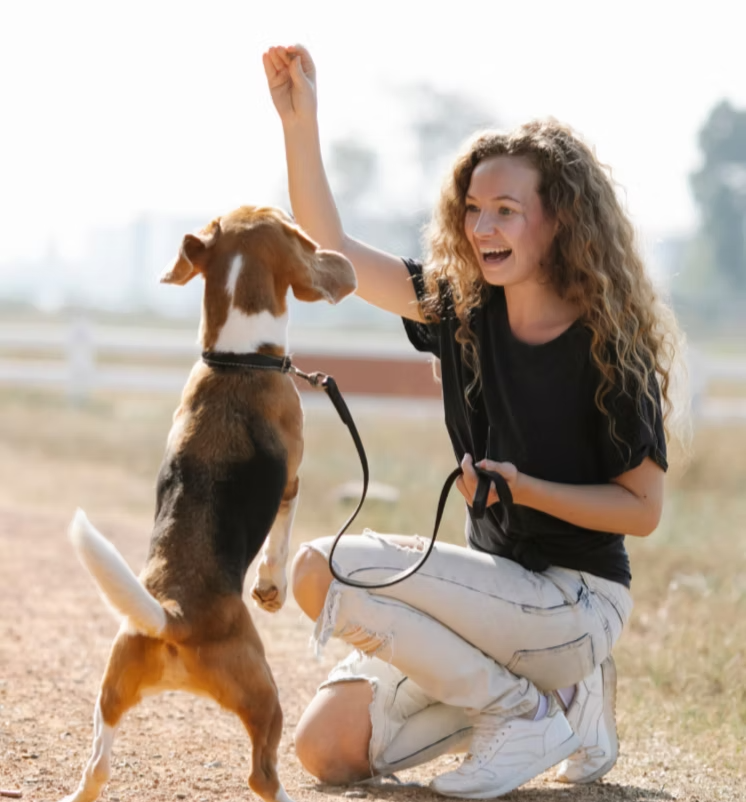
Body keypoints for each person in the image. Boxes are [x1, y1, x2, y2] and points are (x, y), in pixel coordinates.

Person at [262, 44, 685, 799]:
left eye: (506, 211)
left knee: (318, 568)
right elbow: (334, 251)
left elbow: (643, 511)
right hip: (491, 603)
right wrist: (301, 123)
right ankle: (562, 705)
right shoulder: (460, 310)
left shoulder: (608, 346)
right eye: (473, 209)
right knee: (326, 750)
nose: (483, 226)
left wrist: (525, 488)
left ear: (559, 222)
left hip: (575, 602)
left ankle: (523, 710)